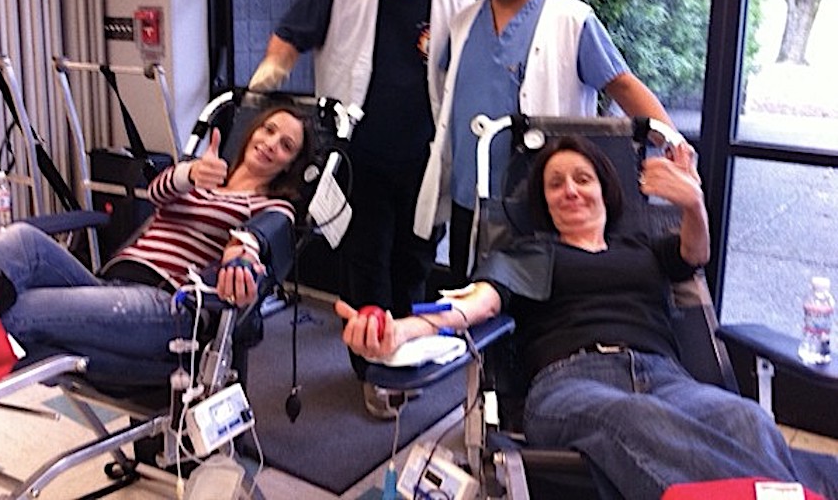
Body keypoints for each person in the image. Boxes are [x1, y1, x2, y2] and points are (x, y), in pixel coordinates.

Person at [339, 135, 837, 500]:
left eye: (583, 179)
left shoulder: (641, 246)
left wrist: (694, 203)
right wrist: (401, 330)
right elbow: (475, 303)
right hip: (570, 385)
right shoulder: (530, 252)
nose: (571, 190)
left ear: (605, 190)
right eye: (556, 184)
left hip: (665, 376)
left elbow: (695, 252)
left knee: (745, 417)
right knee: (638, 420)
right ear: (544, 202)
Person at [248, 0, 475, 415]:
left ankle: (404, 350)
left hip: (428, 156)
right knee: (367, 263)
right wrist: (265, 82)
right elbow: (290, 36)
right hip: (359, 153)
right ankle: (373, 371)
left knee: (414, 263)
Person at [0, 106, 313, 386]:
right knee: (22, 239)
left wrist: (240, 253)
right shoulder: (207, 175)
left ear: (289, 165)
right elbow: (157, 193)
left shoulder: (271, 207)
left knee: (18, 308)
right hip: (109, 284)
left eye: (286, 145)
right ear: (252, 132)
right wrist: (192, 173)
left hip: (165, 305)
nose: (270, 144)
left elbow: (262, 236)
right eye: (268, 130)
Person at [413, 0, 676, 286]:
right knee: (471, 303)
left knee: (536, 314)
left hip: (543, 201)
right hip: (471, 200)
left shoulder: (571, 19)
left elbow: (622, 84)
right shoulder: (462, 23)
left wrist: (673, 146)